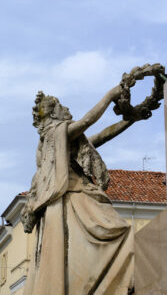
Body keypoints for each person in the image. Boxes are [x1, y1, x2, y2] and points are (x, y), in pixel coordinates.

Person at [21, 85, 137, 295]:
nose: (67, 110)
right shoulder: (55, 134)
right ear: (52, 112)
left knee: (75, 257)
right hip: (72, 199)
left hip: (67, 201)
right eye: (61, 107)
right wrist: (110, 95)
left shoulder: (54, 140)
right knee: (117, 230)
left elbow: (100, 136)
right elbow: (86, 122)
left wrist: (130, 120)